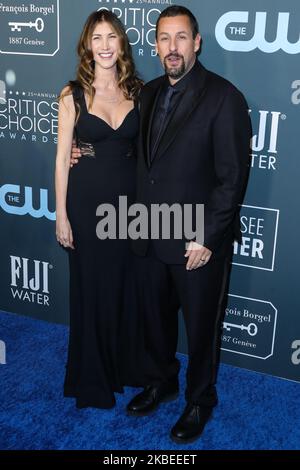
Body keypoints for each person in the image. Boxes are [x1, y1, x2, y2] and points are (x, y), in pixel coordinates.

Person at [125, 6, 251, 443]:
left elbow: (232, 177)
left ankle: (200, 400)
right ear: (155, 44)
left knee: (201, 329)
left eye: (181, 38)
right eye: (164, 38)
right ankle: (161, 381)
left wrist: (208, 237)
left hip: (197, 241)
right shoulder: (148, 93)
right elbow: (142, 162)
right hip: (148, 232)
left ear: (196, 42)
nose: (172, 47)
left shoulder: (224, 97)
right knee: (155, 321)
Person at [55, 10, 144, 409]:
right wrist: (61, 214)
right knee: (91, 289)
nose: (105, 45)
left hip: (129, 209)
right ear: (87, 45)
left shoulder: (140, 92)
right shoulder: (71, 93)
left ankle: (125, 367)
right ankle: (92, 379)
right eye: (97, 38)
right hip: (86, 206)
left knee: (124, 288)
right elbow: (60, 161)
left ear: (121, 43)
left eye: (112, 37)